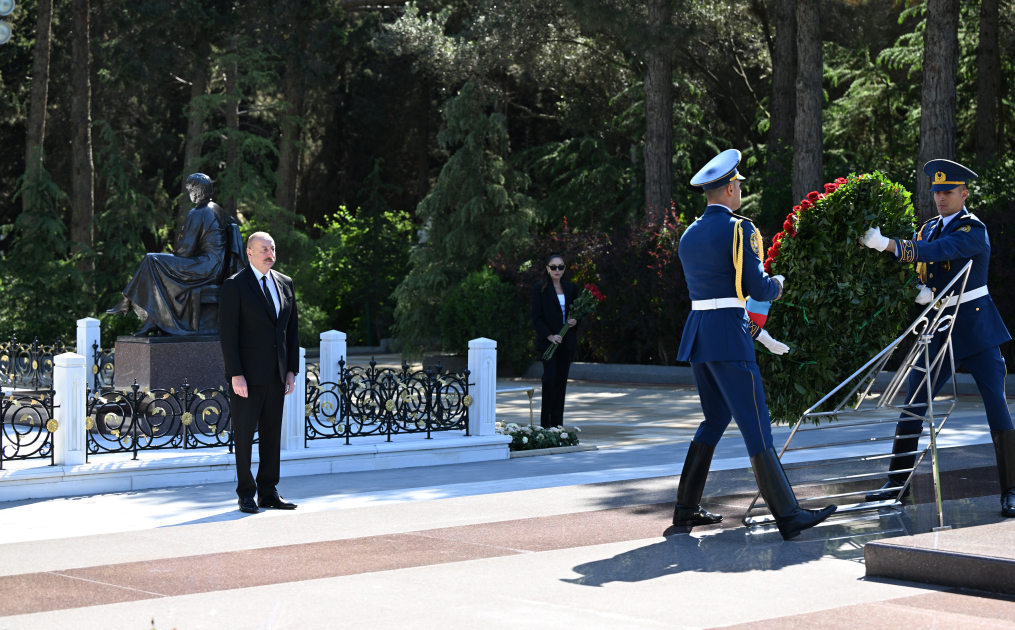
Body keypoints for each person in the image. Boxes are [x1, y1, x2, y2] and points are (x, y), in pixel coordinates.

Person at [673, 149, 837, 540]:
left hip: (699, 332)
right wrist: (778, 284)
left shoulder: (689, 233)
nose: (740, 191)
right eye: (739, 185)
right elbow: (756, 287)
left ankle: (684, 509)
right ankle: (789, 514)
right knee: (756, 425)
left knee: (714, 420)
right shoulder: (740, 229)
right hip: (729, 333)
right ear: (730, 188)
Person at [860, 159, 1014, 516]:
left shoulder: (973, 228)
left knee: (996, 406)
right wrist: (920, 288)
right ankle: (896, 483)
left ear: (964, 193)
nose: (940, 198)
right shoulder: (928, 227)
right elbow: (923, 263)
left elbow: (940, 251)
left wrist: (888, 245)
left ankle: (1011, 488)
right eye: (936, 192)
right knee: (913, 401)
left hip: (975, 326)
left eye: (947, 192)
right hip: (940, 324)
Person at [219, 232, 300, 514]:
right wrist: (235, 373)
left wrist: (291, 369)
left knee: (270, 435)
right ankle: (245, 494)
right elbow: (228, 335)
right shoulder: (235, 285)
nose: (270, 253)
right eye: (264, 249)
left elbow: (291, 331)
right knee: (243, 436)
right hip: (248, 377)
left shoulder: (285, 283)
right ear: (250, 253)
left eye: (273, 248)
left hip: (277, 375)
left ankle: (268, 491)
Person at [106, 173, 245, 336]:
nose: (190, 194)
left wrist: (178, 244)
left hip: (205, 266)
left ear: (199, 191)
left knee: (152, 259)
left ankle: (130, 303)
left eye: (191, 190)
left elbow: (184, 251)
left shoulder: (198, 212)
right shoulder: (217, 209)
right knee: (157, 265)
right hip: (215, 267)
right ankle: (151, 320)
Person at [531, 253, 580, 428]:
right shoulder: (540, 288)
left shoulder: (571, 288)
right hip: (549, 343)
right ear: (547, 269)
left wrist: (575, 321)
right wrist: (549, 336)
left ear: (564, 269)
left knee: (561, 383)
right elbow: (536, 317)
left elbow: (577, 314)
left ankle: (558, 426)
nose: (557, 270)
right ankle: (546, 425)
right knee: (550, 379)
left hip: (567, 343)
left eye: (560, 267)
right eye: (553, 267)